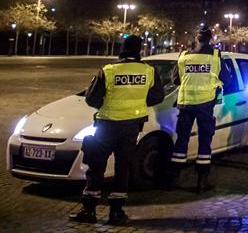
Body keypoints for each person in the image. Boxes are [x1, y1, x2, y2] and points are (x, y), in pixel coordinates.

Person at [69, 34, 164, 225]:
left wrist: (108, 105)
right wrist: (138, 104)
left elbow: (91, 98)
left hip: (106, 124)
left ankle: (89, 210)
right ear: (140, 50)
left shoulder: (109, 70)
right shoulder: (149, 71)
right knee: (123, 167)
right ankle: (117, 212)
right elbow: (157, 96)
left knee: (96, 165)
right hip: (131, 126)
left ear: (123, 48)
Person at [169, 25, 226, 192]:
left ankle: (174, 179)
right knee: (204, 141)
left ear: (196, 39)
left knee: (181, 140)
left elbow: (175, 80)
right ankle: (201, 182)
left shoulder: (184, 56)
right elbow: (226, 78)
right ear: (211, 39)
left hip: (185, 104)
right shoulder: (215, 56)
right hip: (205, 103)